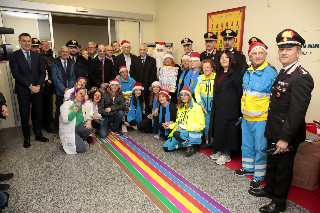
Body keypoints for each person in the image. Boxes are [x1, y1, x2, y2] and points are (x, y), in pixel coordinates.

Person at [249, 29, 314, 213]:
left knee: (283, 168)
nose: (284, 52)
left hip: (286, 133)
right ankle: (269, 189)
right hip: (274, 129)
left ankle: (278, 202)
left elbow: (296, 113)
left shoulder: (302, 78)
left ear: (299, 52)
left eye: (289, 48)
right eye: (281, 48)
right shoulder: (284, 72)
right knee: (272, 163)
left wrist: (285, 138)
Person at [234, 41, 278, 190]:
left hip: (261, 118)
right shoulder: (248, 71)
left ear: (266, 55)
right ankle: (247, 168)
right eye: (255, 53)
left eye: (261, 53)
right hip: (246, 117)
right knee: (246, 144)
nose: (258, 56)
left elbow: (276, 99)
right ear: (250, 56)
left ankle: (258, 176)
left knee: (260, 147)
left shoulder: (271, 73)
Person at [9, 33, 49, 148]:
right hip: (23, 91)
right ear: (20, 42)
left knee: (38, 114)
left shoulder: (37, 55)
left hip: (37, 90)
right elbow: (16, 74)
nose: (27, 43)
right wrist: (30, 86)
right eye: (24, 41)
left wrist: (38, 86)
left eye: (28, 41)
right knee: (25, 115)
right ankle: (26, 137)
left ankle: (38, 134)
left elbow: (42, 72)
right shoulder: (15, 55)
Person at [208, 50, 242, 165]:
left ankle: (226, 154)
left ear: (231, 59)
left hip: (230, 109)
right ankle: (221, 150)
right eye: (222, 57)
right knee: (220, 130)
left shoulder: (236, 74)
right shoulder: (220, 73)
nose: (223, 59)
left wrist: (237, 109)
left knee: (228, 131)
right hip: (219, 108)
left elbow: (239, 93)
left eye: (226, 57)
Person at [163, 86, 205, 157]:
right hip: (182, 132)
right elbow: (179, 123)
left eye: (186, 94)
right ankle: (184, 144)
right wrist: (169, 126)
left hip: (192, 133)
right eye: (181, 95)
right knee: (166, 147)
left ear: (190, 96)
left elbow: (201, 126)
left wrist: (184, 127)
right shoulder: (181, 108)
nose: (183, 97)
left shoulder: (197, 108)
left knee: (177, 134)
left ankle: (192, 145)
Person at [59, 87, 94, 154]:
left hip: (77, 129)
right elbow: (65, 120)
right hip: (68, 131)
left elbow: (87, 116)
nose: (82, 96)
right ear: (75, 93)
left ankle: (81, 140)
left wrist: (89, 121)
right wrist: (75, 111)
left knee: (89, 127)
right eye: (80, 93)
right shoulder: (67, 104)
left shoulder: (83, 106)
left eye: (84, 94)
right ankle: (77, 142)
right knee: (81, 148)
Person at [51, 46, 76, 134]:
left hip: (70, 91)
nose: (65, 53)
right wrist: (63, 89)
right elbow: (55, 78)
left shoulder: (72, 62)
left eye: (66, 52)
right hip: (60, 91)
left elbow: (73, 76)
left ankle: (68, 128)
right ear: (60, 52)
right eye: (63, 52)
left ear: (69, 53)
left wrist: (69, 89)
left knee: (70, 109)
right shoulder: (55, 63)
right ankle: (56, 128)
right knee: (59, 109)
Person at [194, 59, 216, 148]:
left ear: (212, 68)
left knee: (215, 126)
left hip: (215, 107)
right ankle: (209, 142)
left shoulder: (217, 78)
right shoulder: (199, 78)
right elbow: (196, 92)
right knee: (206, 125)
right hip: (203, 107)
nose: (206, 69)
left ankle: (216, 143)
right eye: (204, 68)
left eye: (208, 67)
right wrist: (200, 103)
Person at [40, 40, 55, 133]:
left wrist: (51, 80)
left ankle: (48, 124)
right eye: (44, 45)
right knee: (39, 106)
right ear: (40, 46)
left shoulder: (52, 58)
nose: (46, 46)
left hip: (49, 86)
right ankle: (39, 124)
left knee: (49, 105)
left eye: (47, 45)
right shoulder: (37, 56)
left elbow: (54, 72)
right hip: (40, 85)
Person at [117, 66, 136, 132]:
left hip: (130, 99)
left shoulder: (132, 81)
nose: (124, 73)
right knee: (123, 103)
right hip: (120, 99)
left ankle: (129, 121)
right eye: (122, 72)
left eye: (126, 72)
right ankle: (123, 123)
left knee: (130, 103)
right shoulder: (117, 81)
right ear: (120, 74)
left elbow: (135, 92)